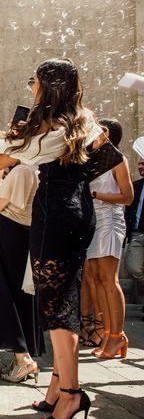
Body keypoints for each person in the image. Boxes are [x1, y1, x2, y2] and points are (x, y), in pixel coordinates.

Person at [0, 58, 104, 419]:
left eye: (33, 81)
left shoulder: (43, 127)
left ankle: (71, 393)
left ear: (47, 86)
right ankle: (54, 390)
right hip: (80, 211)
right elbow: (99, 156)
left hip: (54, 215)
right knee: (64, 298)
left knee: (57, 308)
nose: (30, 87)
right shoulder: (83, 118)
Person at [0, 164, 45, 382]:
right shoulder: (34, 170)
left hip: (9, 236)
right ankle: (21, 355)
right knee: (17, 295)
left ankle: (23, 359)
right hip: (19, 236)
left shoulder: (22, 171)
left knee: (3, 295)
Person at [80, 119, 133, 358]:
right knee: (97, 278)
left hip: (110, 220)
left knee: (110, 280)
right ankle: (108, 333)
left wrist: (96, 194)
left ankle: (117, 335)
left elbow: (128, 196)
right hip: (93, 221)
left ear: (108, 134)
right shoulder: (92, 159)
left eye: (98, 130)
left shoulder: (118, 159)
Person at [124, 157, 144, 306]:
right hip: (136, 234)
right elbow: (129, 210)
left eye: (143, 163)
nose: (140, 166)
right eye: (139, 163)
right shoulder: (135, 186)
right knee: (133, 268)